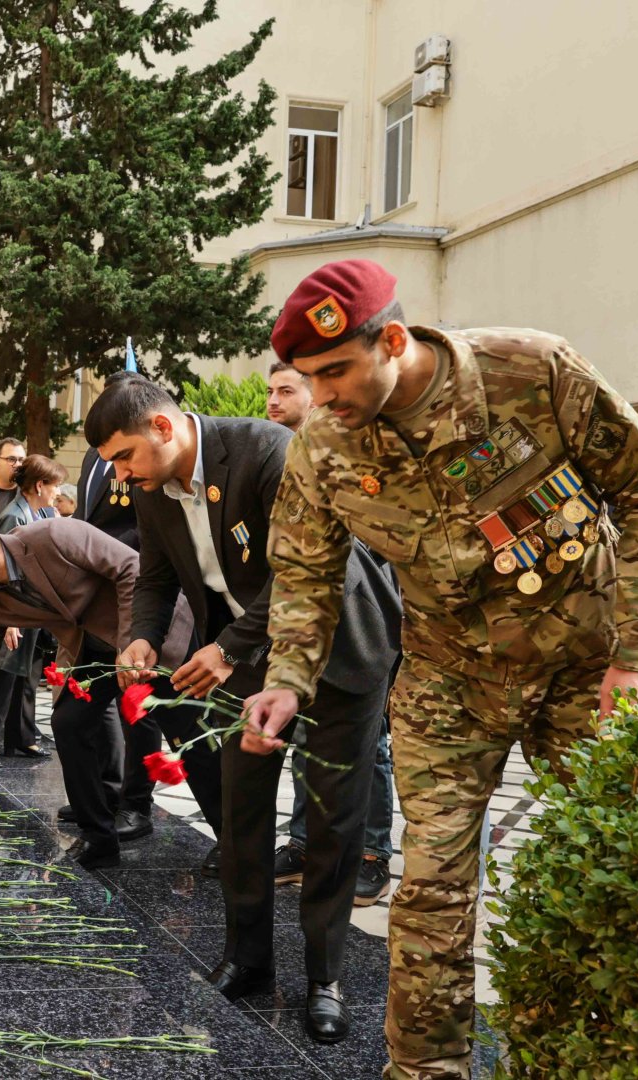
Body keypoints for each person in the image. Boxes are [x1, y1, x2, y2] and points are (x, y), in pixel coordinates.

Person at [240, 259, 638, 1080]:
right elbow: (305, 569)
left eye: (335, 372)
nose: (322, 394)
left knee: (619, 866)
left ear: (394, 340)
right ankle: (425, 1072)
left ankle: (602, 1057)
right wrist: (286, 678)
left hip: (582, 668)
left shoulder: (533, 370)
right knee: (431, 897)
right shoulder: (324, 444)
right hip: (449, 681)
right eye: (308, 377)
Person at [90, 374, 401, 1045]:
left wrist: (227, 648)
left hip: (336, 653)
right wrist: (140, 633)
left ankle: (325, 977)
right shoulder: (151, 488)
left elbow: (302, 570)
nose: (119, 474)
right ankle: (248, 959)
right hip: (246, 658)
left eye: (123, 456)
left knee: (329, 821)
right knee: (242, 809)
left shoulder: (262, 450)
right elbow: (155, 575)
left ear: (163, 429)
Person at [0, 513, 192, 867]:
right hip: (91, 651)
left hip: (153, 635)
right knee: (68, 722)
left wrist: (132, 643)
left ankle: (234, 844)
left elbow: (133, 569)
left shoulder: (55, 535)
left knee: (189, 733)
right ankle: (100, 840)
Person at [266, 359, 399, 907]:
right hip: (309, 623)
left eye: (286, 390)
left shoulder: (358, 446)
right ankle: (302, 841)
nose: (274, 401)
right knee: (305, 738)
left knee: (373, 746)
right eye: (269, 391)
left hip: (369, 619)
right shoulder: (286, 455)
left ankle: (372, 854)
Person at [70, 438, 162, 852]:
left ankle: (137, 804)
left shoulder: (140, 456)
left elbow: (149, 529)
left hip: (133, 593)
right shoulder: (94, 456)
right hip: (95, 604)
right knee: (85, 706)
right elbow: (85, 517)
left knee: (138, 711)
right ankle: (102, 793)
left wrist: (100, 553)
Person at [0, 455, 65, 766]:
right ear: (40, 485)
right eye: (55, 486)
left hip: (31, 610)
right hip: (14, 611)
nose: (58, 492)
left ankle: (22, 738)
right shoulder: (14, 516)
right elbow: (2, 570)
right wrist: (9, 621)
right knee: (2, 676)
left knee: (26, 677)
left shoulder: (36, 514)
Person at [266, 360, 315, 429]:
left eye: (286, 392)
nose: (272, 402)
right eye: (270, 392)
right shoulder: (256, 437)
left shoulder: (330, 437)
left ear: (314, 398)